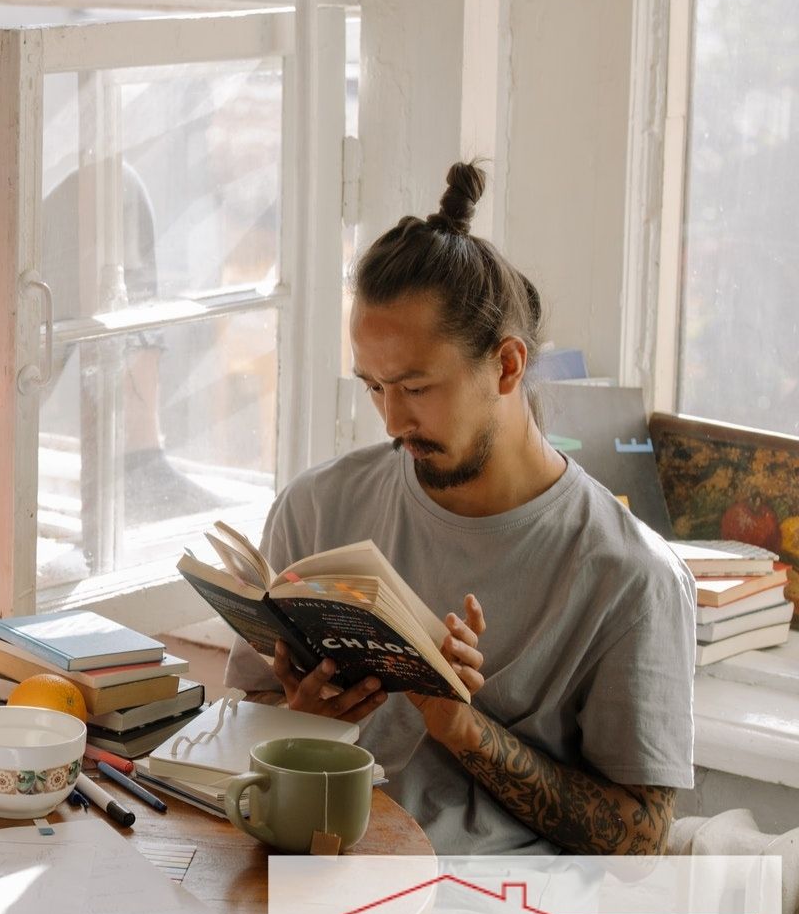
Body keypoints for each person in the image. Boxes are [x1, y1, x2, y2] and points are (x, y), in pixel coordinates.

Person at [224, 162, 694, 856]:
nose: (391, 421)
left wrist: (461, 728)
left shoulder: (631, 576)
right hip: (316, 869)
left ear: (507, 367)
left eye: (415, 387)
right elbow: (246, 717)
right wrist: (303, 716)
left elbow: (640, 840)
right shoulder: (318, 506)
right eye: (374, 387)